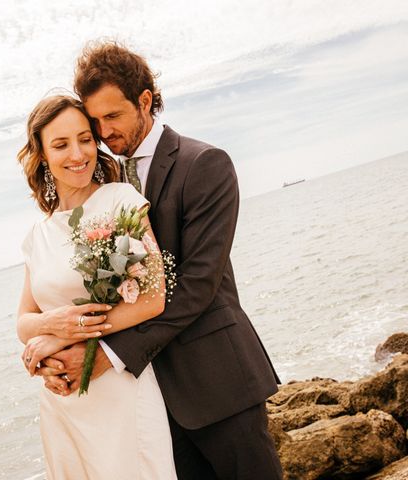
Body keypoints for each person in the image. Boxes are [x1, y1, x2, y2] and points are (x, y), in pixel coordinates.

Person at [38, 41, 284, 479]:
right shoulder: (106, 187)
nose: (103, 132)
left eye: (112, 116)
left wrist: (105, 355)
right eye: (95, 121)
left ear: (145, 101)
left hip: (216, 380)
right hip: (148, 399)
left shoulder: (203, 163)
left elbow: (197, 285)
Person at [16, 95, 178, 479]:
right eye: (60, 144)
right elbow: (23, 323)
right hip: (63, 402)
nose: (78, 153)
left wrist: (62, 339)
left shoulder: (122, 201)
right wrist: (51, 328)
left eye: (85, 139)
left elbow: (152, 300)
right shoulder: (37, 236)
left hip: (120, 392)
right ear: (40, 154)